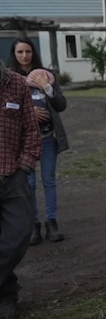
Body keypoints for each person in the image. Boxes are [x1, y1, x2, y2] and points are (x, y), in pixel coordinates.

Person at [8, 38, 69, 245]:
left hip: (47, 139)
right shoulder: (10, 78)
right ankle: (33, 225)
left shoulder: (46, 76)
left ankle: (51, 222)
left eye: (28, 51)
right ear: (14, 55)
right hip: (22, 143)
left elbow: (61, 105)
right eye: (20, 52)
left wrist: (47, 88)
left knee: (49, 181)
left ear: (33, 52)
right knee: (29, 184)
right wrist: (29, 111)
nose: (24, 56)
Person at [0, 63, 41, 319]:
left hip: (12, 174)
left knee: (20, 232)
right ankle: (7, 295)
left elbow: (31, 130)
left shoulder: (16, 84)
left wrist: (25, 165)